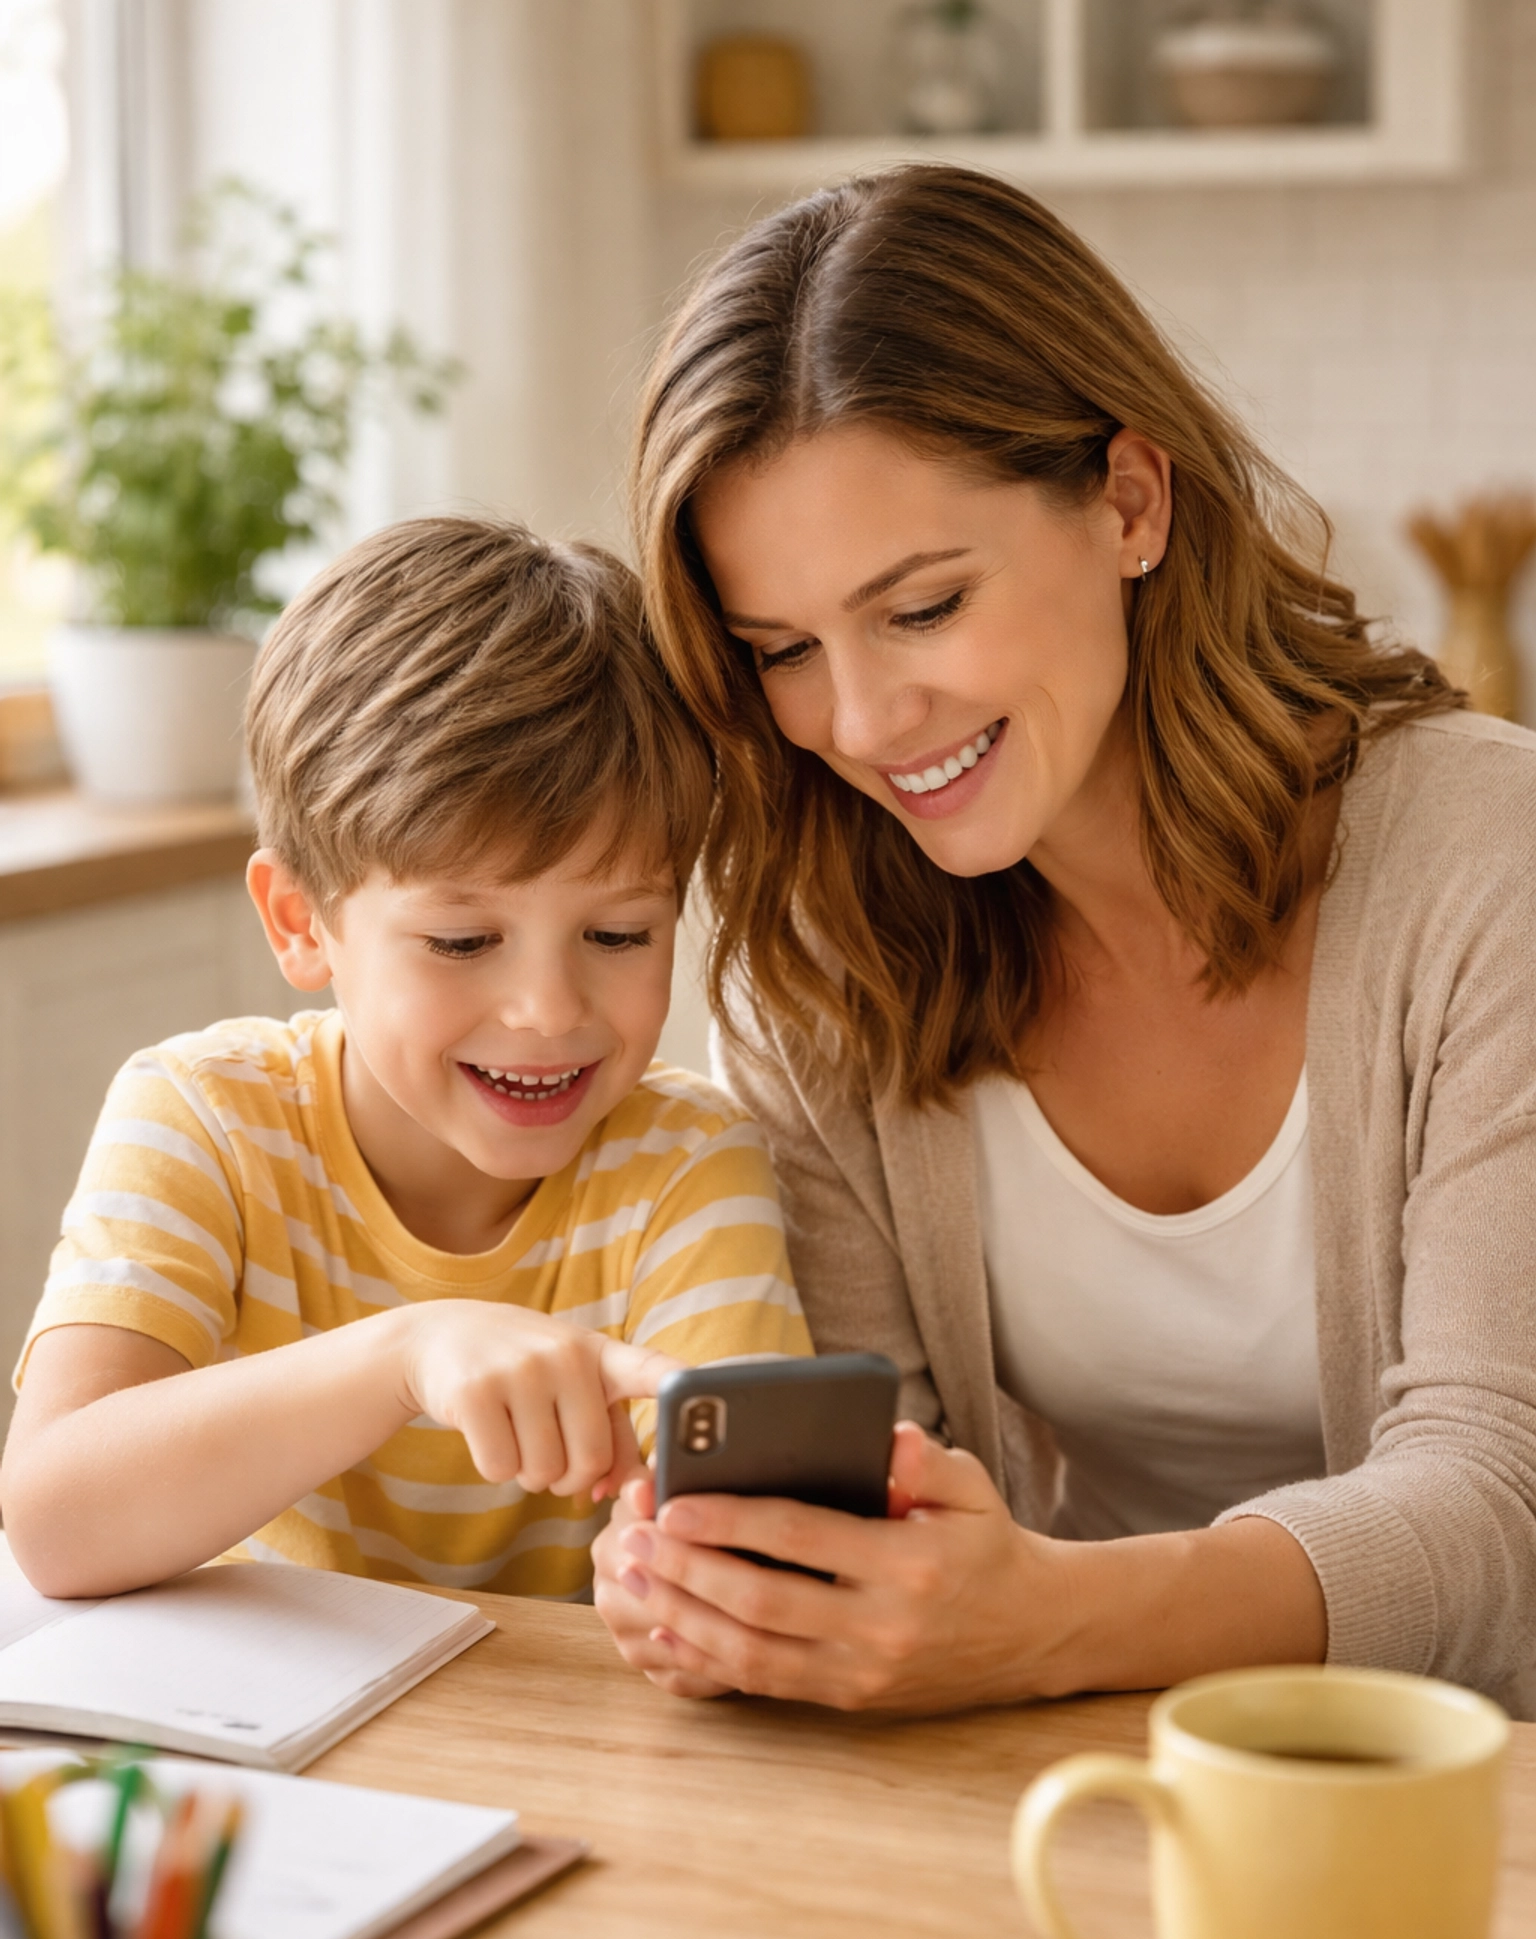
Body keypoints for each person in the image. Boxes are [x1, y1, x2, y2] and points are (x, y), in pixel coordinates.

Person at [594, 162, 1536, 1719]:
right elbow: (883, 1489)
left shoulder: (1485, 866)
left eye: (923, 606)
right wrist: (758, 1587)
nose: (865, 720)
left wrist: (1051, 1616)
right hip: (1045, 1770)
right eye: (783, 652)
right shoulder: (821, 960)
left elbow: (1502, 1504)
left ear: (1128, 504)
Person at [1, 516, 809, 1600]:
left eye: (620, 935)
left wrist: (705, 1573)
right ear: (300, 921)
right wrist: (405, 1356)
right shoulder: (202, 1119)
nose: (546, 1010)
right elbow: (56, 1524)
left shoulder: (685, 1165)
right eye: (463, 941)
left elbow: (762, 1544)